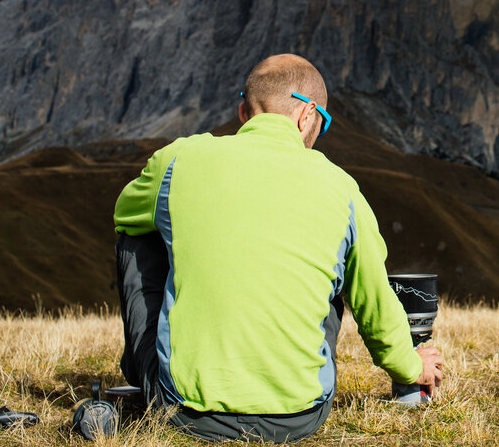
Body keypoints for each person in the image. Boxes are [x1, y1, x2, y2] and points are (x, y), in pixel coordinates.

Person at [112, 54, 444, 442]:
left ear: (243, 112)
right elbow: (374, 299)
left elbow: (124, 215)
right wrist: (410, 367)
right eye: (322, 123)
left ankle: (146, 369)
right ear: (307, 116)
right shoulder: (342, 189)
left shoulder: (179, 161)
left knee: (138, 231)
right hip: (301, 414)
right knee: (343, 266)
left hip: (182, 410)